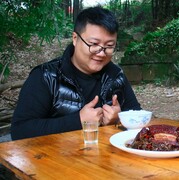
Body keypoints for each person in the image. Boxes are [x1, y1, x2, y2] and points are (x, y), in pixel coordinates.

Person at [11, 6, 141, 140]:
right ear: (75, 38)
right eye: (94, 44)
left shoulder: (116, 75)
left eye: (109, 46)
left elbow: (139, 116)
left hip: (106, 158)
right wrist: (78, 121)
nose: (101, 53)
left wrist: (119, 119)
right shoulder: (46, 76)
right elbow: (20, 130)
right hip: (54, 158)